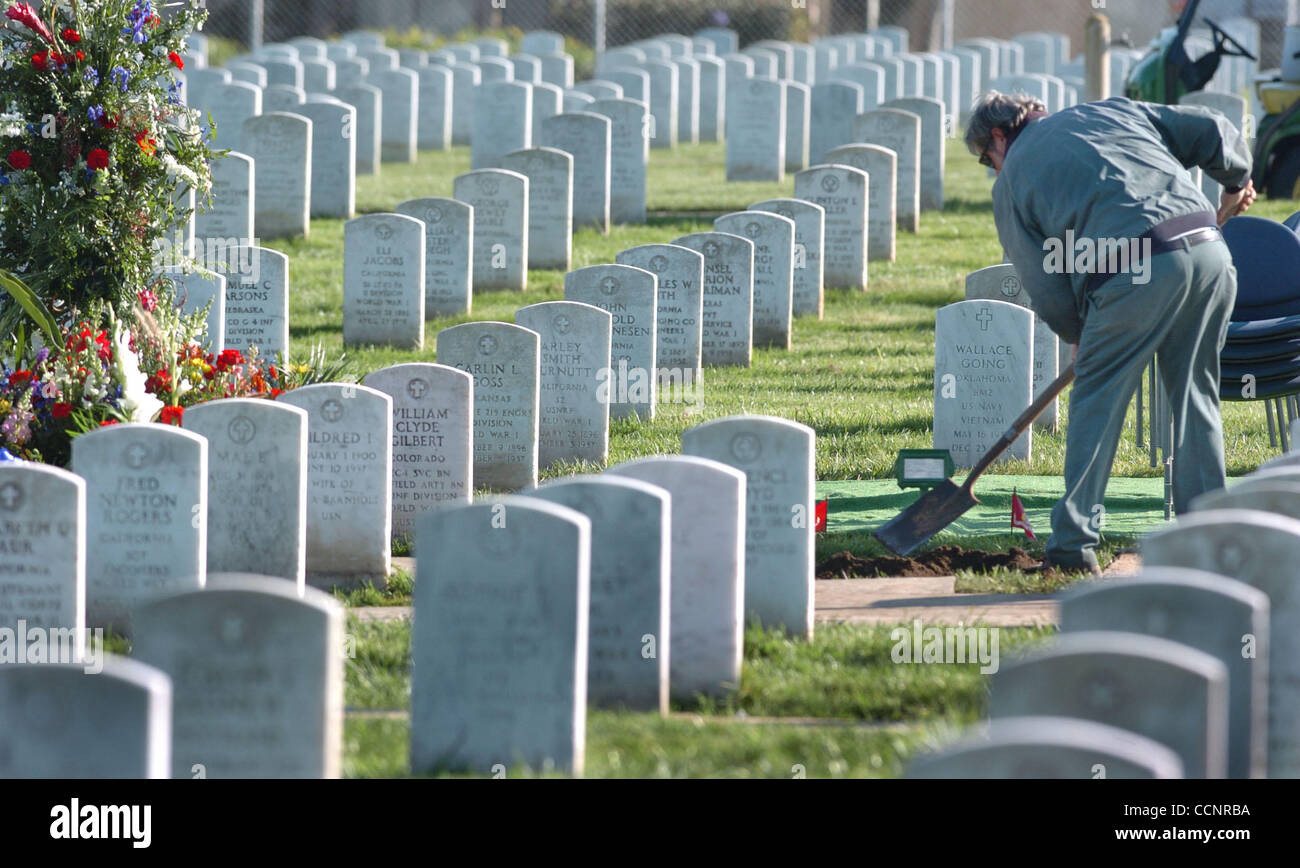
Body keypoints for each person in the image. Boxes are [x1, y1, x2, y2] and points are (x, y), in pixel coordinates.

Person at [965, 91, 1257, 573]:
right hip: (1210, 253)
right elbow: (1210, 128)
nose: (992, 169)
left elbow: (1044, 281)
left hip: (1134, 273)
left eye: (985, 159)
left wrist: (1077, 331)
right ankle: (1208, 541)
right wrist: (1236, 180)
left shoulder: (1012, 181)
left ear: (999, 136)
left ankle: (1072, 548)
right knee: (1195, 397)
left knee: (1096, 403)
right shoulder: (1113, 109)